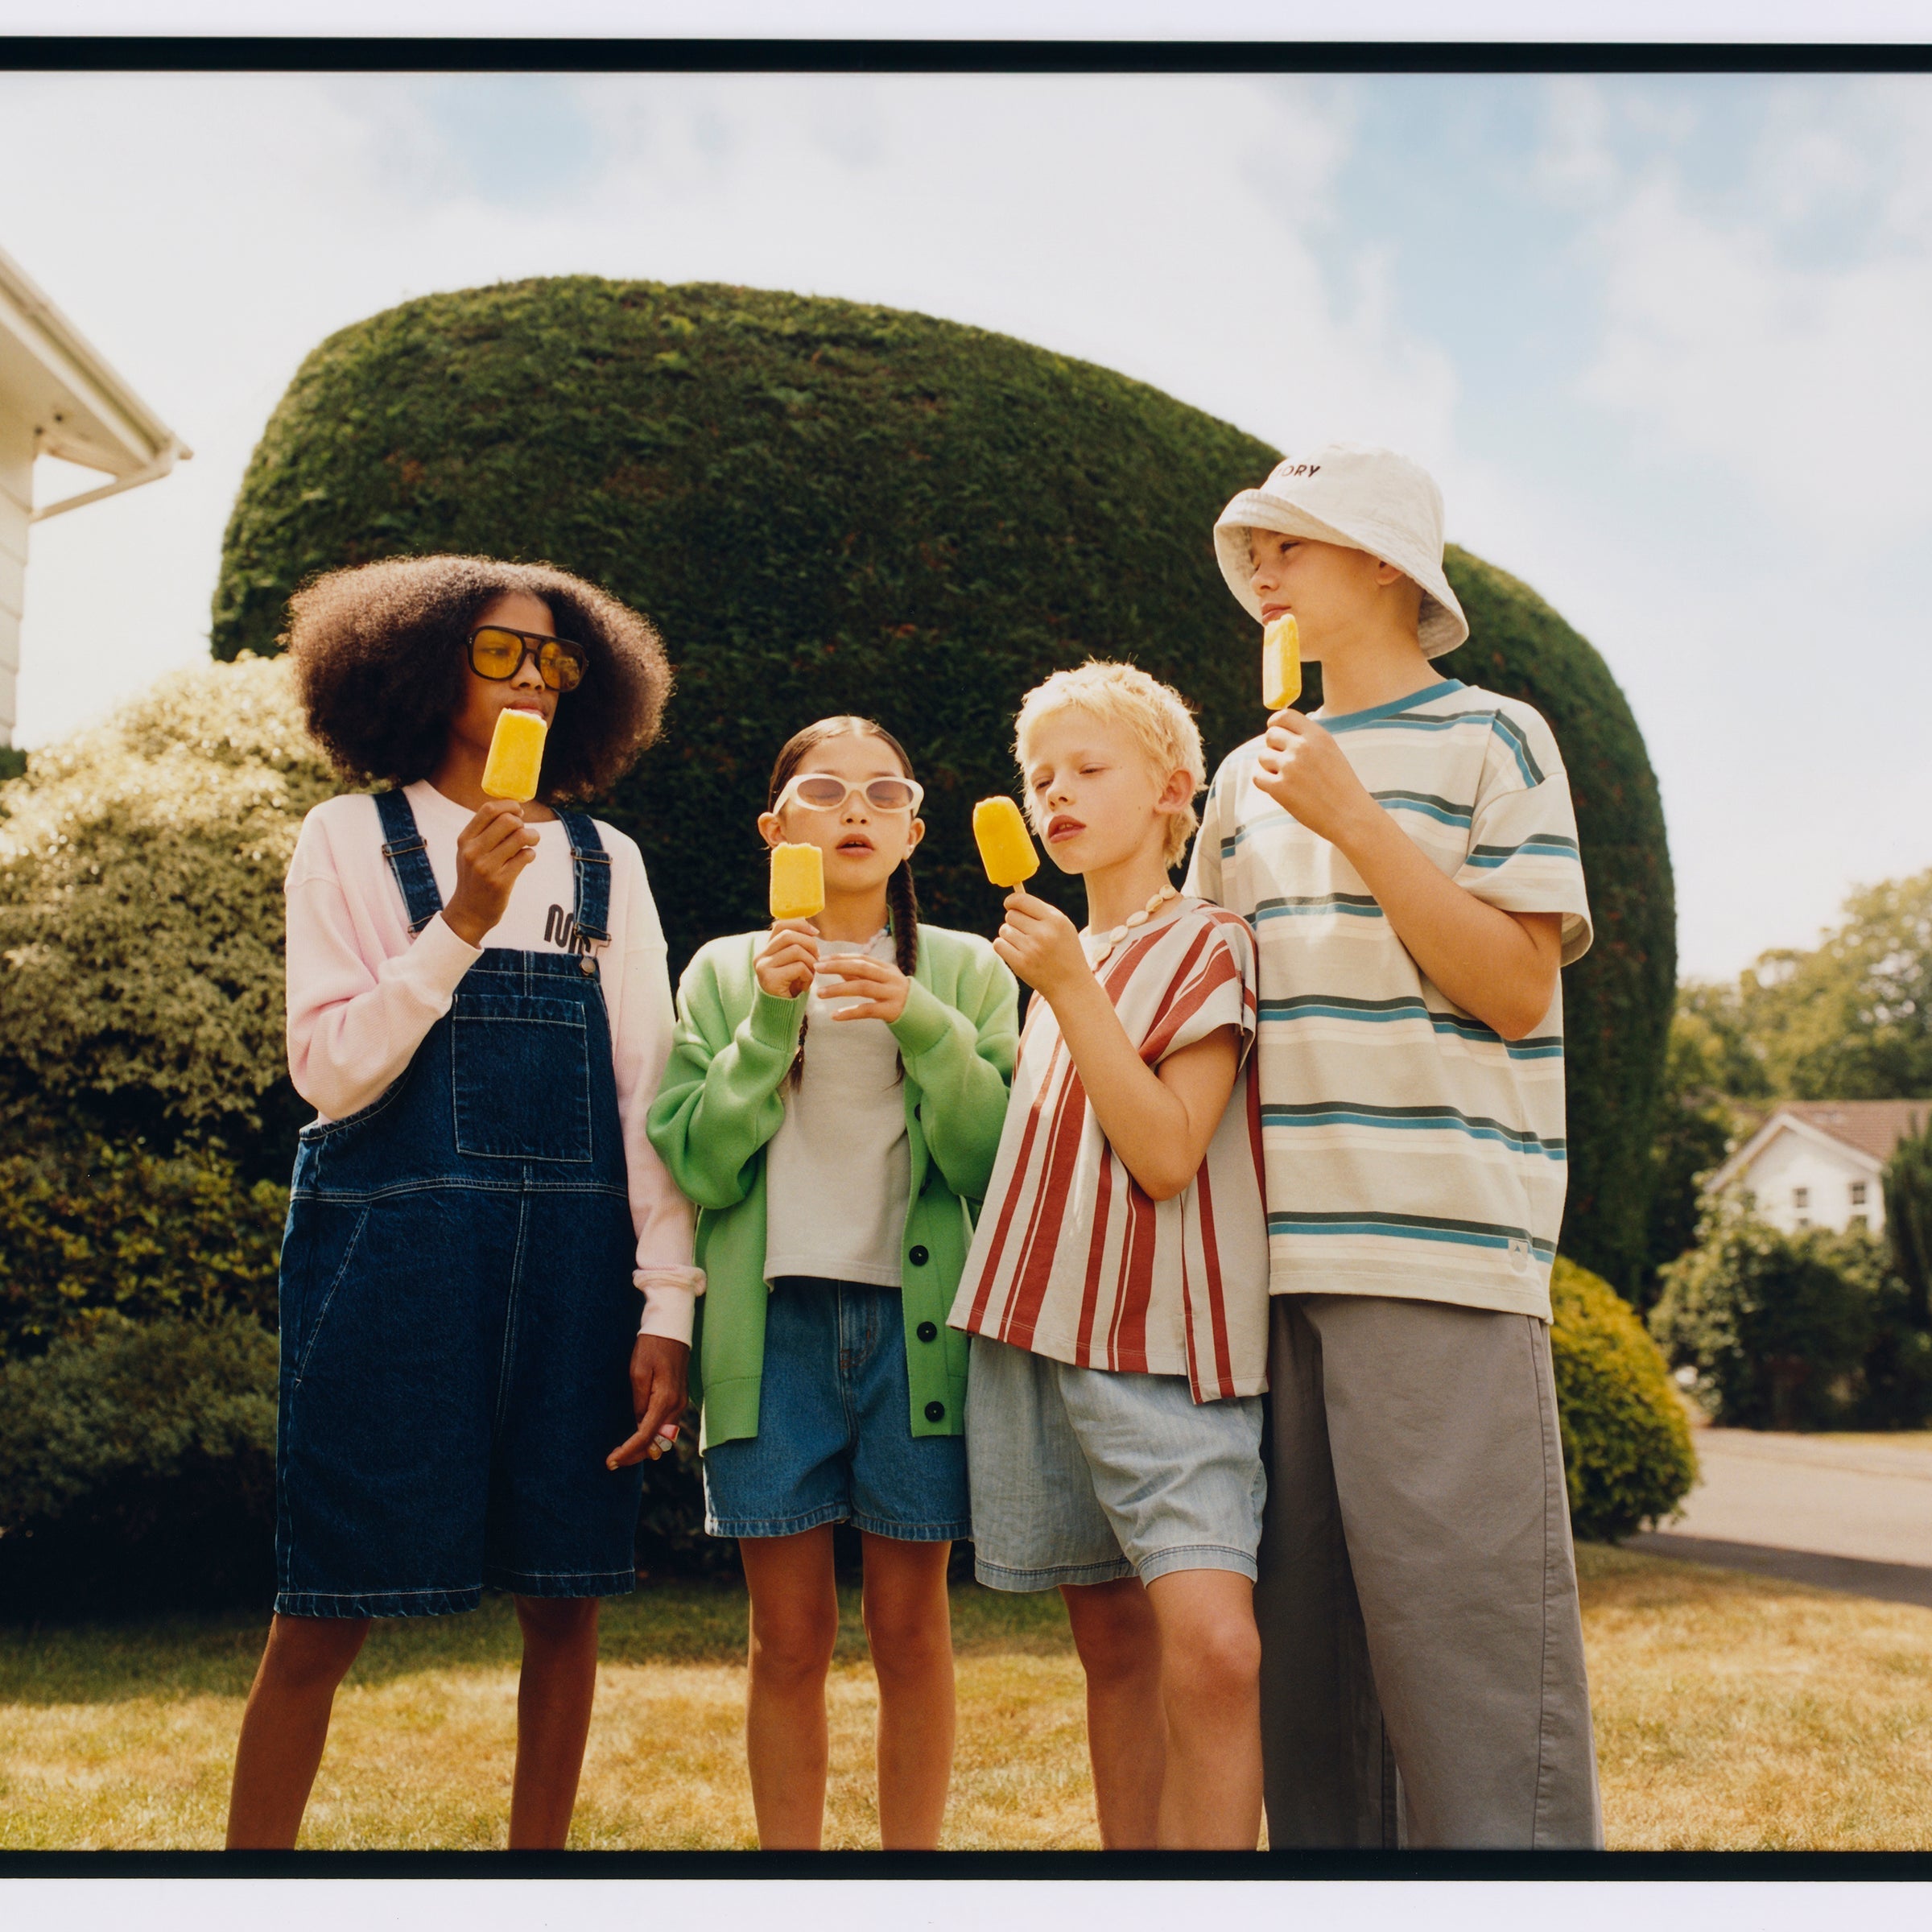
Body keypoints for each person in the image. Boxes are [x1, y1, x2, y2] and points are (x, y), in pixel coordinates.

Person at [225, 555, 700, 1850]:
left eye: (555, 657)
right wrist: (463, 922)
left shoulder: (611, 862)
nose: (534, 676)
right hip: (391, 1256)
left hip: (575, 1271)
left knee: (566, 1601)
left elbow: (646, 1093)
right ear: (427, 664)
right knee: (322, 1602)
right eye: (504, 651)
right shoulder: (347, 840)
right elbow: (329, 1071)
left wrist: (668, 1304)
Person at [1187, 443, 1602, 1849]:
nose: (1262, 575)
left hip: (1437, 1254)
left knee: (1475, 1683)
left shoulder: (1499, 737)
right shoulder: (1241, 776)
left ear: (1381, 565)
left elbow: (1512, 986)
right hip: (1264, 1264)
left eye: (1287, 546)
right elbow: (1203, 1005)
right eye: (1253, 552)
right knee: (1313, 1704)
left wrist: (1357, 820)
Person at [646, 717, 1017, 1851]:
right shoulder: (720, 970)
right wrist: (770, 1019)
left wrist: (922, 1020)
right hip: (772, 1337)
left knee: (913, 1630)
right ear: (776, 829)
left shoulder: (968, 969)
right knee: (789, 1637)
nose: (854, 810)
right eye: (823, 791)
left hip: (922, 1337)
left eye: (881, 793)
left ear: (912, 832)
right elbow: (699, 1158)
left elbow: (992, 1159)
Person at [949, 661, 1270, 1852]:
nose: (1056, 797)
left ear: (1174, 787)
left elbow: (1169, 1155)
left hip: (1161, 1350)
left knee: (1218, 1651)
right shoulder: (1053, 967)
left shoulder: (1209, 945)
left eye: (1090, 770)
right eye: (1040, 779)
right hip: (1035, 1336)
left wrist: (1071, 987)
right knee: (1115, 1651)